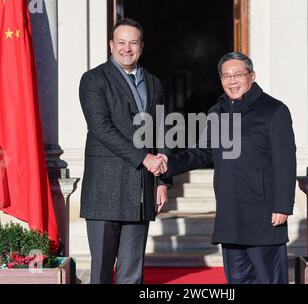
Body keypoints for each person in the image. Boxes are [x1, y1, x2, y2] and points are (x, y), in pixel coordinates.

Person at [158, 52, 296, 284]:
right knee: (237, 280)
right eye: (226, 76)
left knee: (269, 280)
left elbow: (286, 162)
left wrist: (282, 205)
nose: (232, 81)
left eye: (238, 75)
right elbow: (202, 152)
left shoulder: (274, 110)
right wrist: (167, 165)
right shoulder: (216, 112)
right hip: (230, 215)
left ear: (251, 76)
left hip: (264, 215)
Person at [79, 18, 171, 284]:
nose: (126, 48)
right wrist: (145, 158)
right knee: (102, 273)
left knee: (133, 274)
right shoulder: (94, 79)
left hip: (140, 191)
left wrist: (163, 180)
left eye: (133, 42)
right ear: (111, 45)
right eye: (121, 42)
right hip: (104, 191)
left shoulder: (153, 83)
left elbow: (162, 129)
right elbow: (101, 128)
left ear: (141, 46)